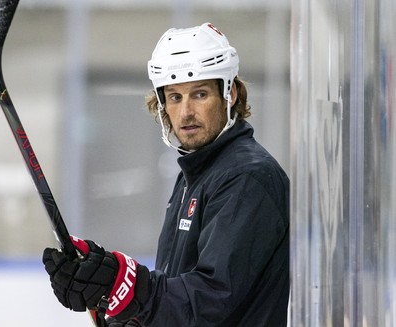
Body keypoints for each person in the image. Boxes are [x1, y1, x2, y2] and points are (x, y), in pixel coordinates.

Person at [42, 22, 290, 326]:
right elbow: (175, 303)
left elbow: (209, 301)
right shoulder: (195, 174)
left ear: (231, 94)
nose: (185, 112)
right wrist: (106, 296)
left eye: (199, 94)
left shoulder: (246, 178)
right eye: (174, 97)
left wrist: (126, 285)